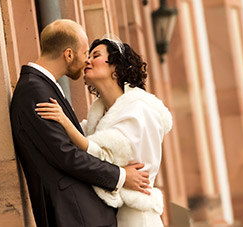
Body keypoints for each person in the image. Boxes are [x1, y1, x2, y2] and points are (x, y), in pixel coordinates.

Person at [10, 20, 150, 227]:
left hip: (83, 212)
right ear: (68, 54)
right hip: (74, 214)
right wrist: (120, 176)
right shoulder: (34, 90)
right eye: (86, 53)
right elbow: (66, 154)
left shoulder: (44, 87)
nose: (87, 61)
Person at [36, 36, 172, 226]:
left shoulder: (139, 109)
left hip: (137, 217)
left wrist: (64, 121)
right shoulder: (98, 116)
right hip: (112, 213)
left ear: (115, 67)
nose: (87, 61)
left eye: (96, 55)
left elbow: (101, 155)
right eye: (88, 55)